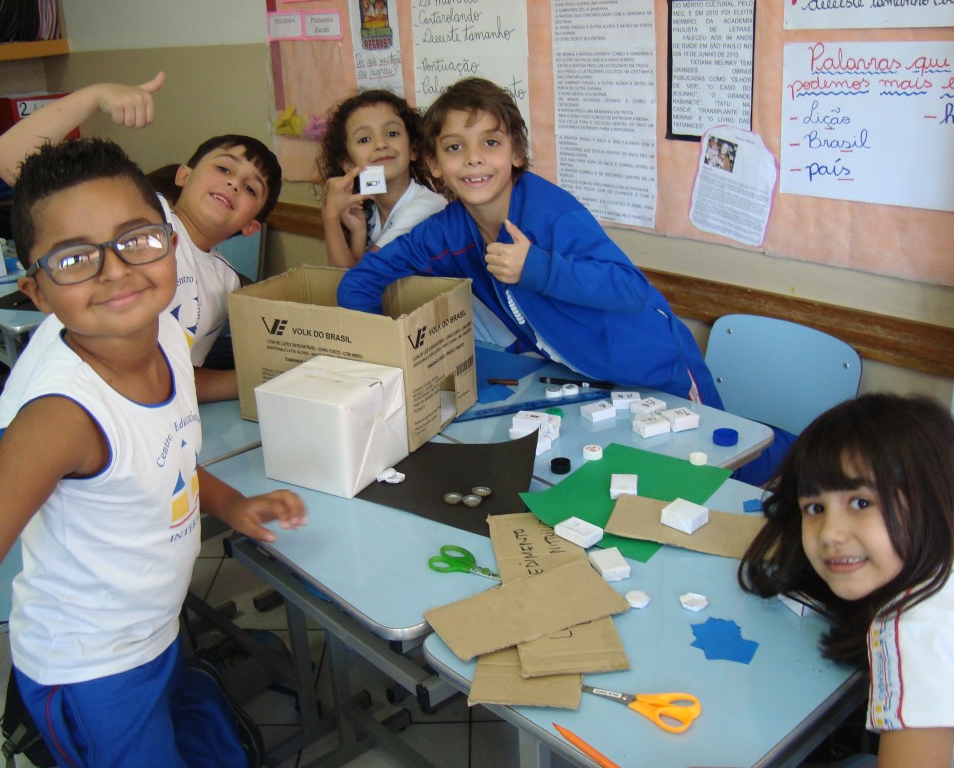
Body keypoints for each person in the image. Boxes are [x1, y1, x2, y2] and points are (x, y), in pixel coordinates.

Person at [0, 137, 306, 767]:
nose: (115, 269)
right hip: (91, 669)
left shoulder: (164, 331)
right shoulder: (60, 417)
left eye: (136, 239)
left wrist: (233, 504)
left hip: (154, 632)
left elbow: (170, 455)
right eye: (74, 258)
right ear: (38, 293)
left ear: (170, 242)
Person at [337, 77, 722, 409]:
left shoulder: (550, 213)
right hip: (589, 384)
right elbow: (360, 282)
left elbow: (631, 289)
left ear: (517, 153)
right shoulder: (445, 231)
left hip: (654, 367)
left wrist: (536, 267)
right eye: (455, 147)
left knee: (730, 466)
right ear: (434, 164)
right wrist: (387, 363)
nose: (474, 159)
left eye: (490, 143)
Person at [0, 71, 282, 403]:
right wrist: (95, 95)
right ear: (184, 175)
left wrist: (267, 380)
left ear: (250, 227)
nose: (233, 184)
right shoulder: (146, 216)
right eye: (225, 169)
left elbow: (176, 375)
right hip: (78, 399)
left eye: (250, 188)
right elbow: (6, 157)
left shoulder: (225, 282)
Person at [739, 394, 954, 768]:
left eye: (861, 503)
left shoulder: (915, 628)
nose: (830, 534)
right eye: (816, 508)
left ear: (931, 499)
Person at [316, 88, 446, 268]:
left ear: (413, 149)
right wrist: (359, 235)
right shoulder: (371, 213)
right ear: (347, 163)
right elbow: (352, 284)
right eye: (364, 139)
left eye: (392, 134)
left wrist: (330, 216)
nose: (380, 144)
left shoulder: (426, 208)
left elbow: (351, 282)